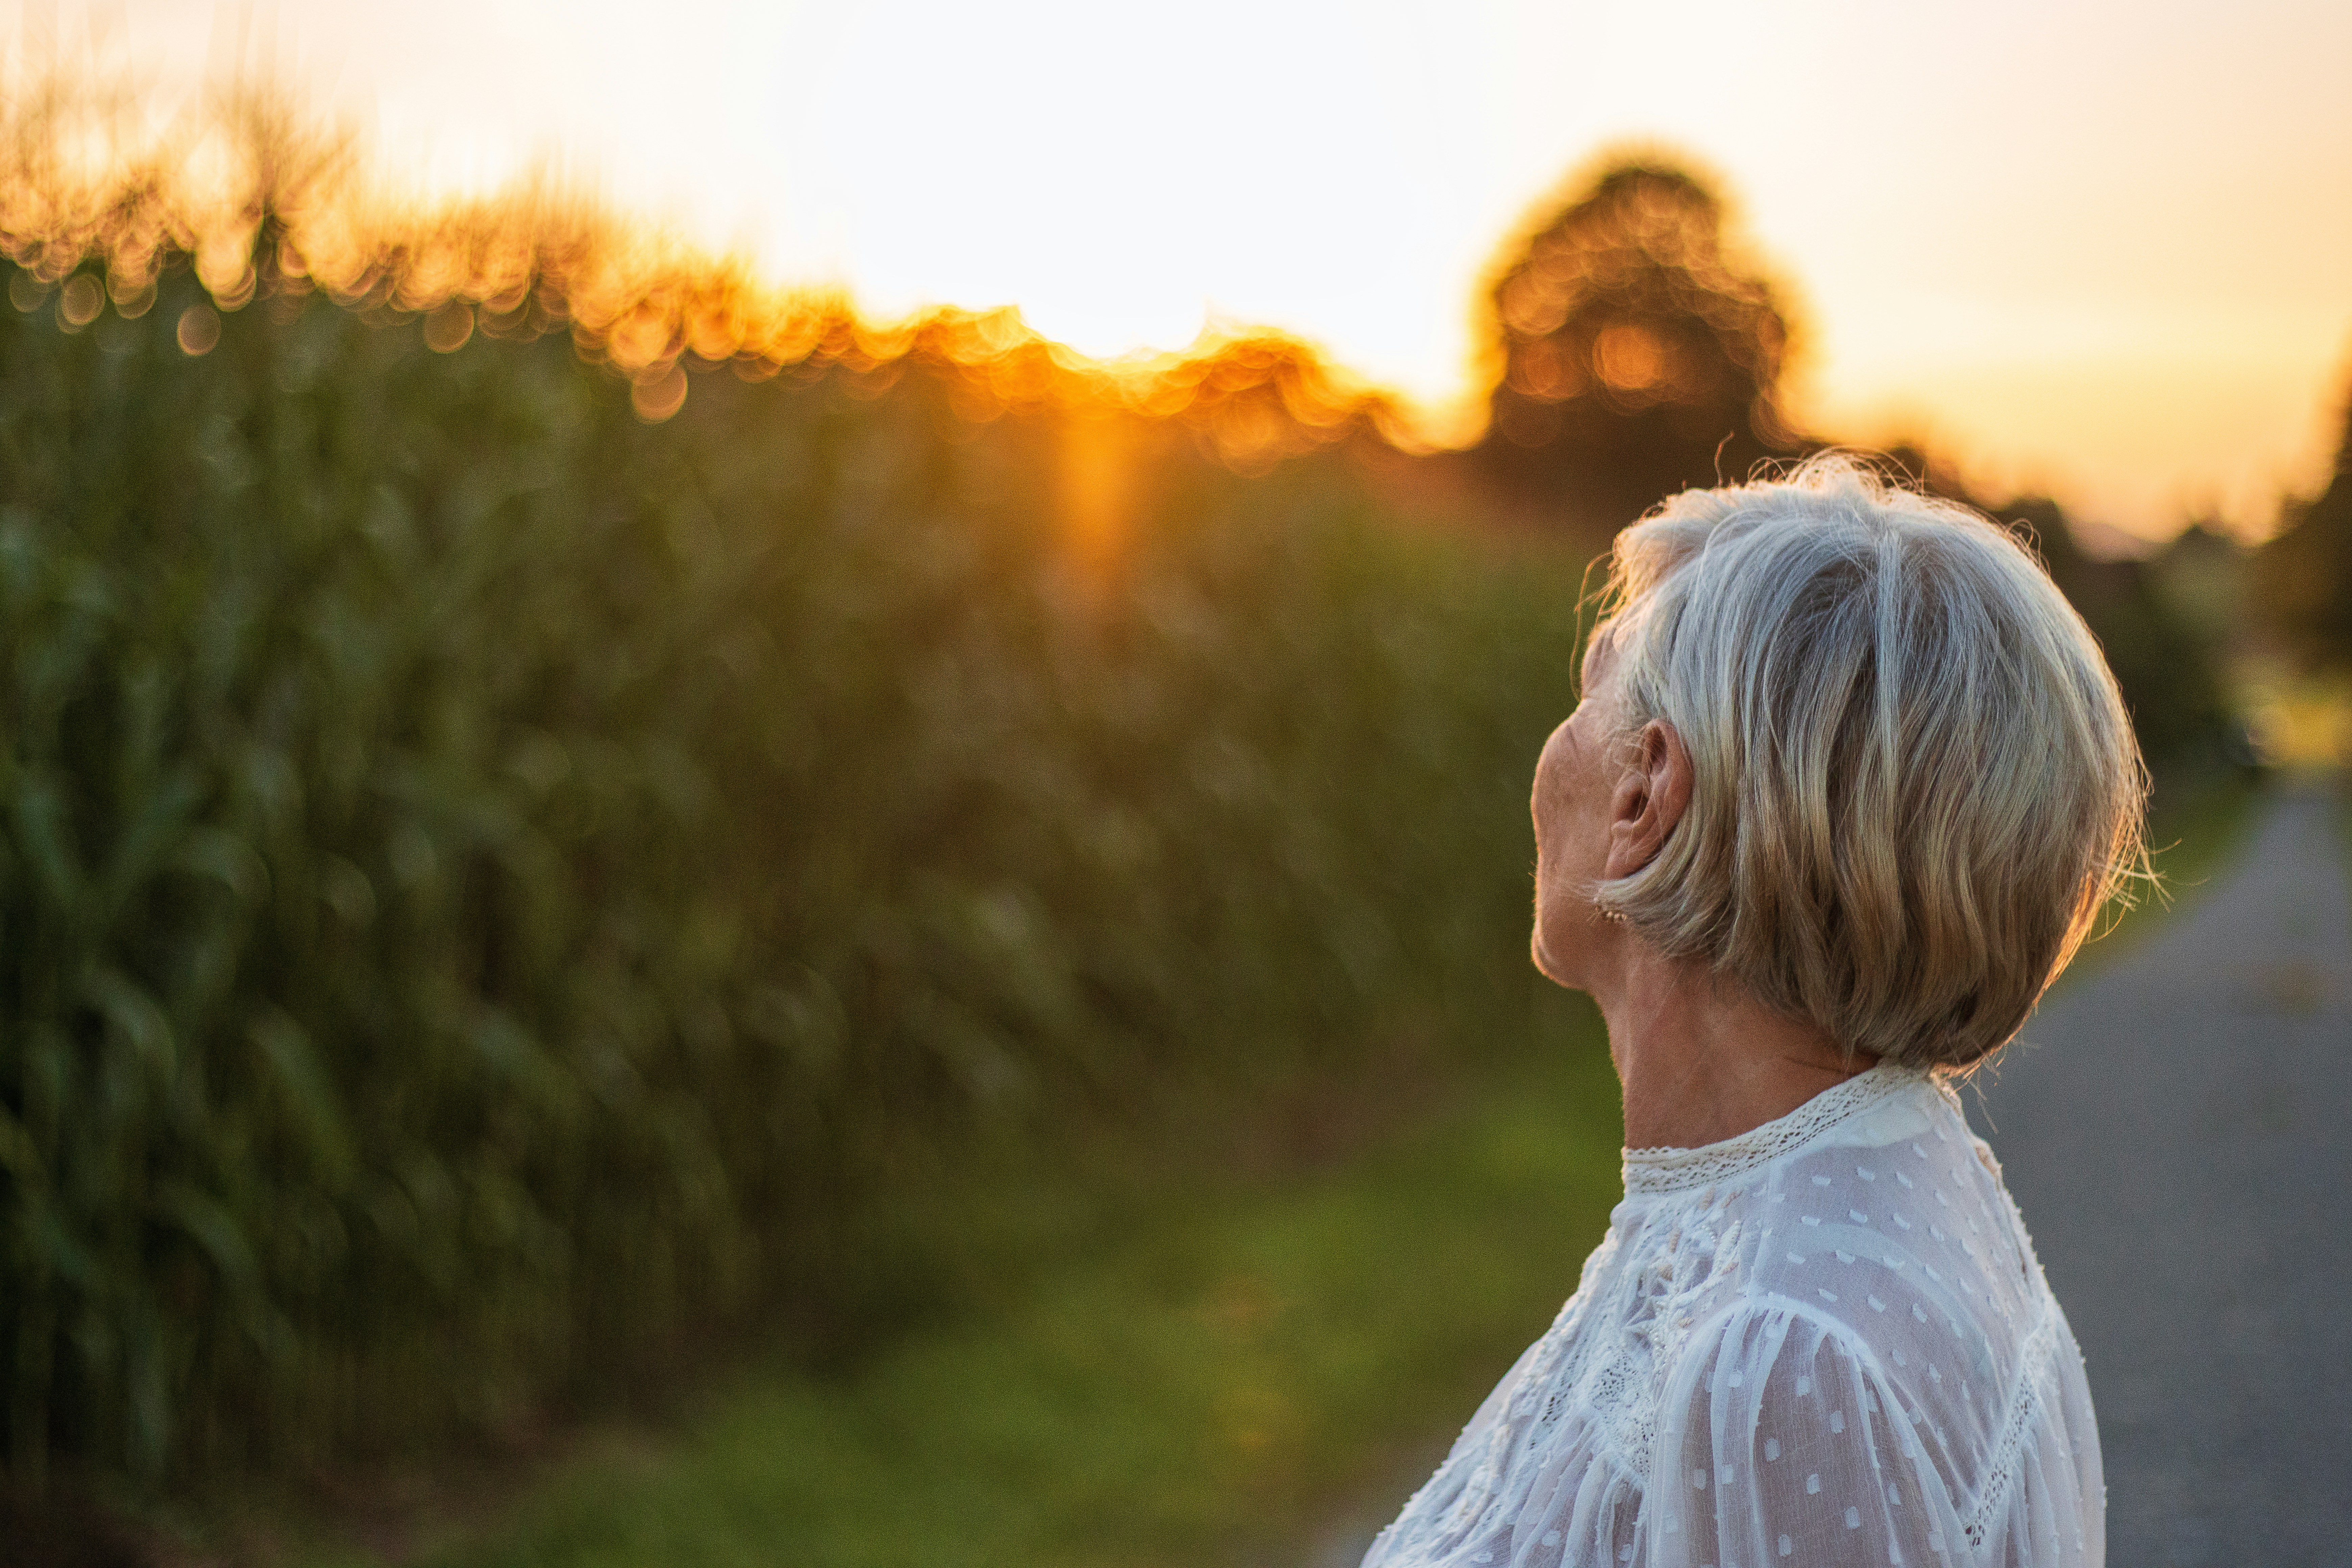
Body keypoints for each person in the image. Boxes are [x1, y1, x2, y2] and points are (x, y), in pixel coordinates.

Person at [1362, 457, 2142, 1568]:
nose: (1554, 745)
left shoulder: (1783, 1358)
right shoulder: (1901, 1175)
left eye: (1590, 692)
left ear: (1646, 796)